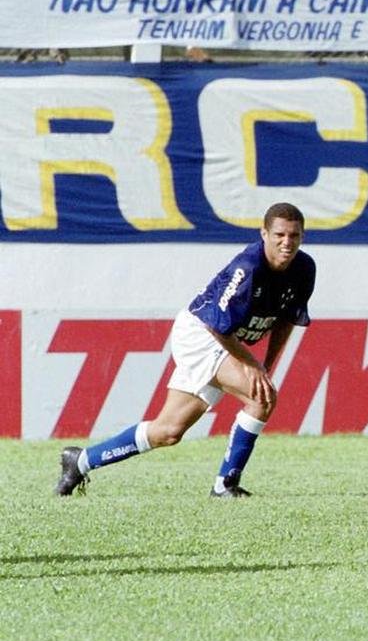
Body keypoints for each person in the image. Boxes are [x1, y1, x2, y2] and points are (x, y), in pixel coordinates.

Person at [54, 203, 316, 499]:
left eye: (294, 235)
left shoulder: (305, 269)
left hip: (224, 343)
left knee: (168, 432)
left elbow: (285, 320)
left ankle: (80, 461)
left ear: (302, 236)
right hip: (201, 334)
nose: (287, 242)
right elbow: (218, 328)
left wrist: (266, 364)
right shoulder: (248, 268)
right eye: (279, 234)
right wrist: (252, 366)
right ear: (264, 234)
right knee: (262, 396)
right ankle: (224, 485)